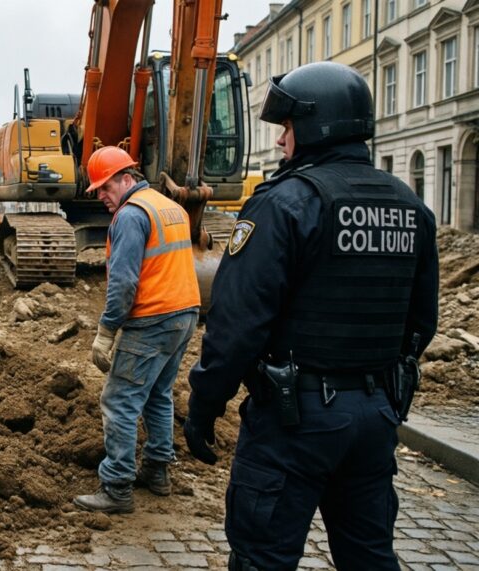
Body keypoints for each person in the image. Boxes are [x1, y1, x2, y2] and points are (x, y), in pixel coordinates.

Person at [184, 62, 439, 570]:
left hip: (294, 419)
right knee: (369, 556)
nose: (281, 141)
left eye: (288, 127)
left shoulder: (285, 205)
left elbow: (237, 326)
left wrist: (204, 404)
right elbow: (421, 321)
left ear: (317, 125)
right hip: (376, 416)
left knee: (263, 558)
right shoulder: (411, 207)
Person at [73, 146, 201, 514]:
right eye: (97, 190)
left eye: (105, 187)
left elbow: (124, 284)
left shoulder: (131, 216)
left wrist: (107, 330)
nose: (101, 197)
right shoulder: (168, 206)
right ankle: (158, 472)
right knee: (159, 394)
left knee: (119, 400)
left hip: (153, 319)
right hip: (185, 313)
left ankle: (116, 487)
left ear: (126, 178)